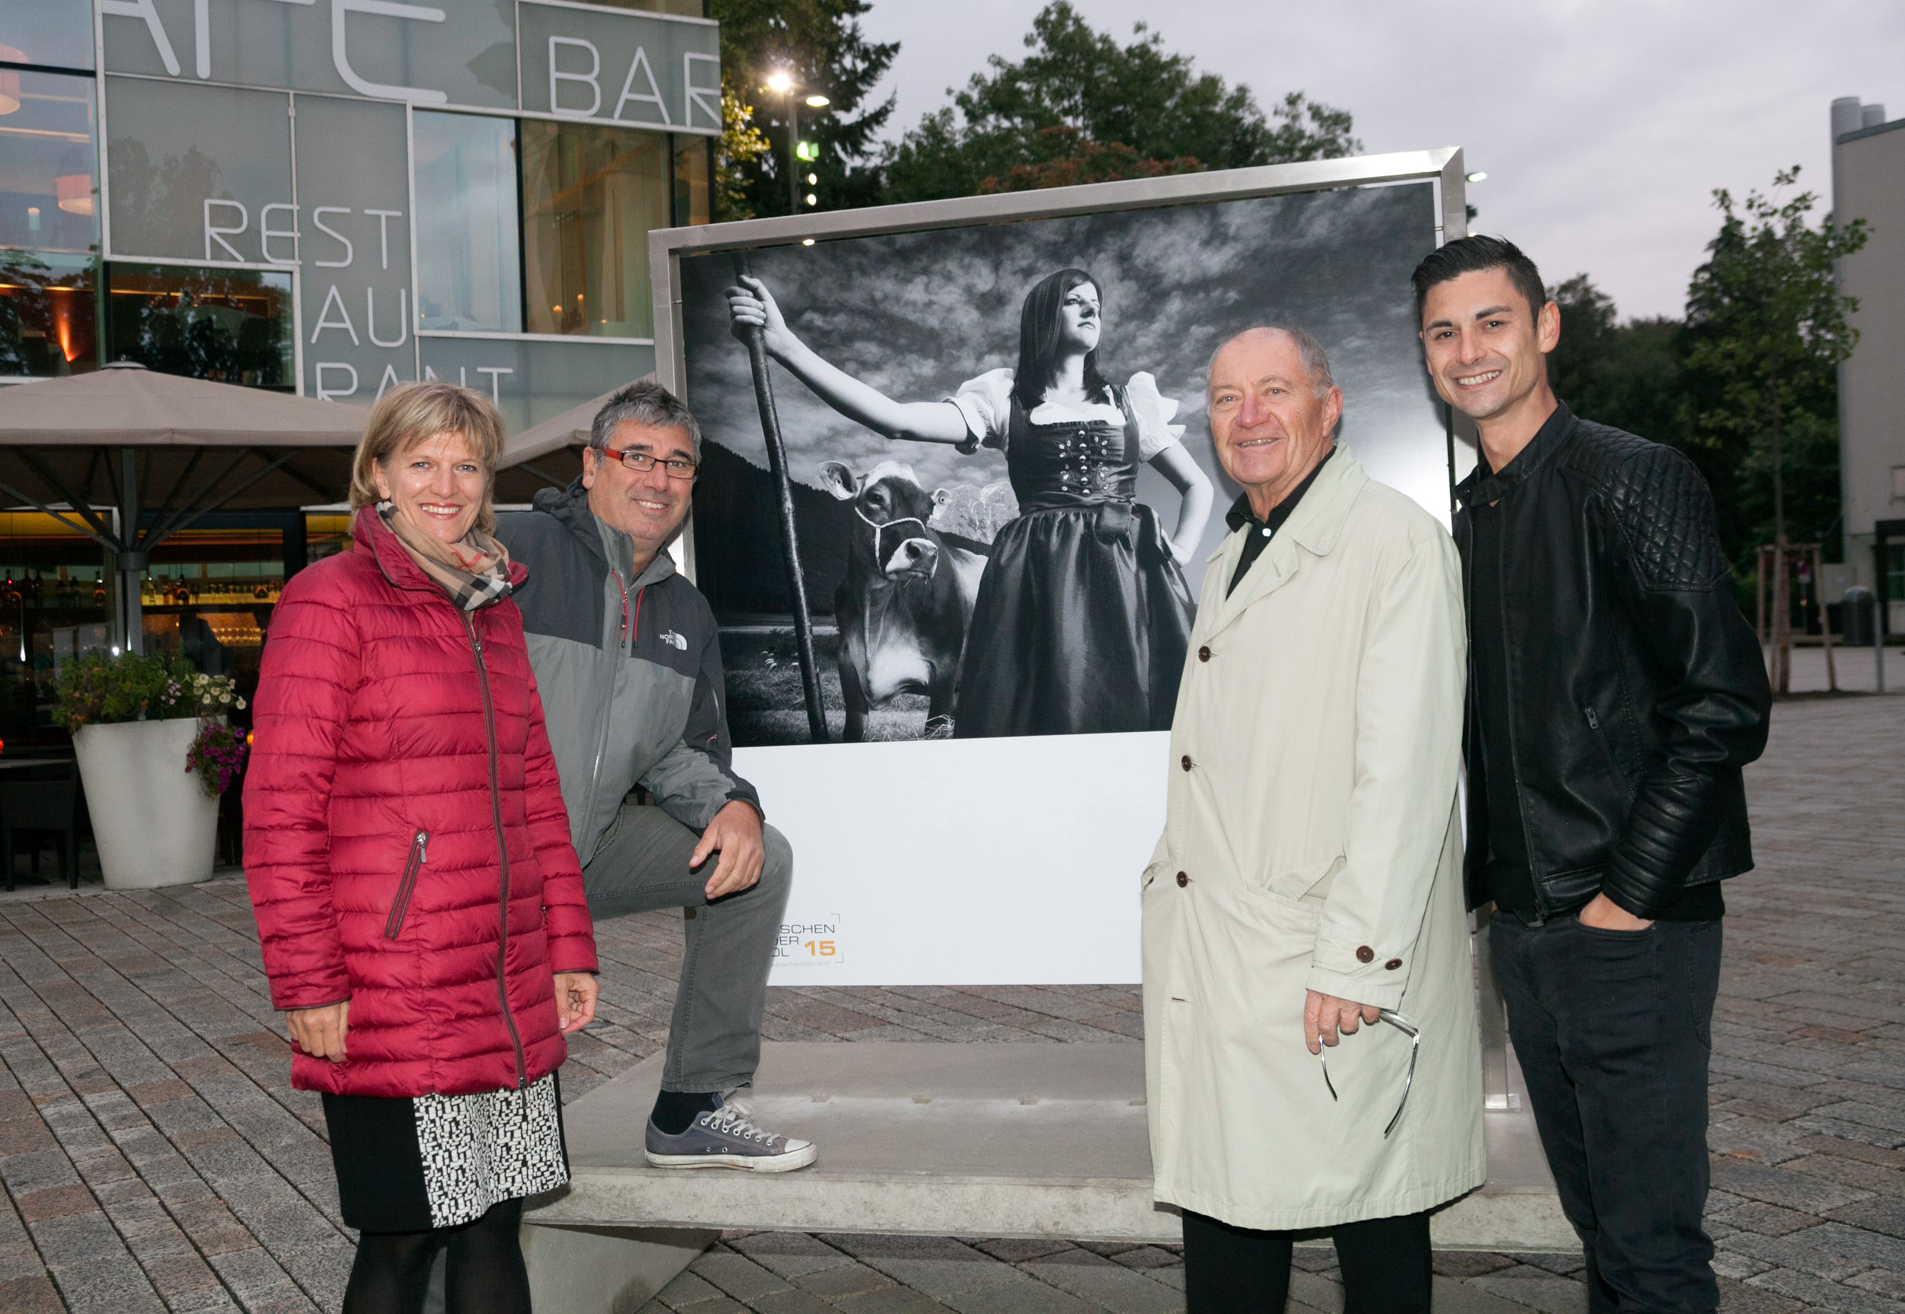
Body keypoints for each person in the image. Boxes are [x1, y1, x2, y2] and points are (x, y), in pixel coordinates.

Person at [1416, 235, 1771, 1312]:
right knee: (1604, 1238)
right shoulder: (1468, 515)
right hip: (1527, 934)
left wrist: (1626, 899)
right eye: (1443, 331)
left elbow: (1720, 702)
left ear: (1543, 326)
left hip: (1632, 929)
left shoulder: (1630, 477)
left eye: (1490, 322)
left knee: (1652, 1251)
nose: (1468, 350)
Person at [1145, 326, 1482, 1314]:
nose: (1246, 417)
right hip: (1232, 954)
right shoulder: (1229, 555)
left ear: (1325, 407)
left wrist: (1355, 960)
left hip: (1327, 964)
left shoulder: (1391, 541)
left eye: (1271, 392)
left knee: (1369, 1215)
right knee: (1228, 1208)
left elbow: (1407, 771)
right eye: (1223, 399)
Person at [242, 381, 598, 1314]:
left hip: (502, 977)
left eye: (467, 464)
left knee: (494, 1221)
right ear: (377, 477)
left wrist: (567, 946)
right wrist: (309, 982)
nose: (448, 483)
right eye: (423, 462)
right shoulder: (329, 601)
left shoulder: (494, 603)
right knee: (403, 1238)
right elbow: (279, 811)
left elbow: (534, 791)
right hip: (395, 981)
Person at [495, 381, 816, 1172]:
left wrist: (736, 806)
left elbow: (683, 752)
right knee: (502, 1158)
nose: (658, 478)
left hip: (586, 853)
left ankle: (690, 1109)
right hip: (485, 863)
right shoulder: (513, 555)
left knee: (759, 859)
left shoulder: (687, 613)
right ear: (591, 465)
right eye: (636, 455)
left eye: (678, 463)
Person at [725, 268, 1213, 737]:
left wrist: (1180, 552)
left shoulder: (1131, 402)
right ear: (1043, 314)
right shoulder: (1005, 398)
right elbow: (896, 420)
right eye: (1075, 300)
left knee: (1141, 709)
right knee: (1043, 711)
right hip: (1039, 578)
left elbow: (1198, 487)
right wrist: (784, 346)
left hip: (1127, 579)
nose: (1091, 310)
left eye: (1097, 305)